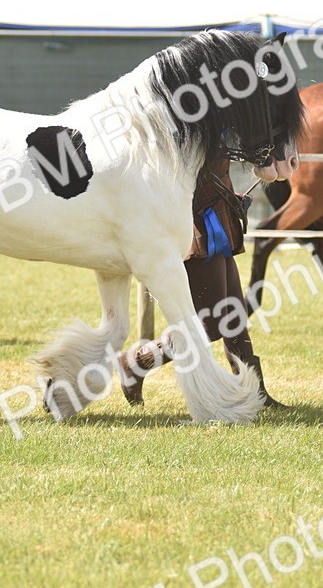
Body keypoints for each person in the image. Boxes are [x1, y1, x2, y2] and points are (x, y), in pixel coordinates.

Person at [116, 154, 282, 407]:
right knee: (211, 323)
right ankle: (137, 362)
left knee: (234, 315)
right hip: (197, 219)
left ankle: (255, 392)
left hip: (218, 210)